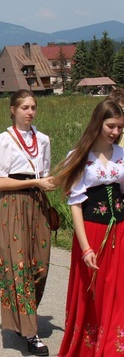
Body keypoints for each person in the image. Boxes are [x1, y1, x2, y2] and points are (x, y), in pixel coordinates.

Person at [0, 89, 55, 356]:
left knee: (41, 265)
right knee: (19, 267)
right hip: (12, 203)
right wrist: (34, 182)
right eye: (25, 107)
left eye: (33, 107)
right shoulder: (3, 140)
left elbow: (46, 174)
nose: (30, 112)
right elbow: (0, 182)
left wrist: (49, 183)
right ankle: (31, 332)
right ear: (13, 110)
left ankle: (21, 315)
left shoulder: (44, 140)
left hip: (36, 203)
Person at [56, 100, 124, 356]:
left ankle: (113, 347)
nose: (115, 132)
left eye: (119, 127)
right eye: (111, 125)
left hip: (120, 232)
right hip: (92, 233)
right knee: (93, 292)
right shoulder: (78, 157)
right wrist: (85, 248)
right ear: (98, 123)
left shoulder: (122, 155)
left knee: (118, 291)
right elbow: (75, 204)